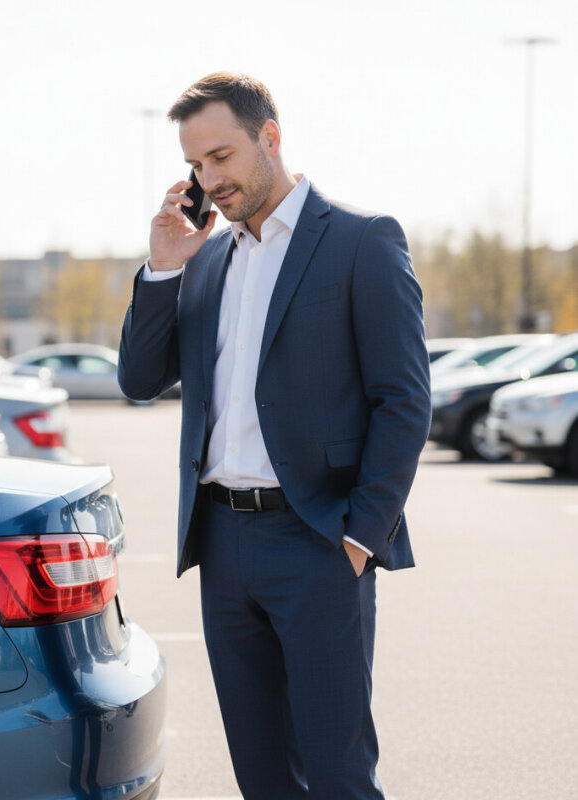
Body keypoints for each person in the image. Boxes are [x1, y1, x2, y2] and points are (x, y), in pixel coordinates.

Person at [118, 73, 431, 799]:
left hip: (318, 541)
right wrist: (164, 266)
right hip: (223, 547)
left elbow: (404, 400)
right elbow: (138, 380)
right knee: (263, 778)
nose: (209, 179)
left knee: (338, 773)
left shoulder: (361, 241)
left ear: (271, 137)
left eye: (222, 156)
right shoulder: (203, 261)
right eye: (196, 165)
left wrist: (360, 537)